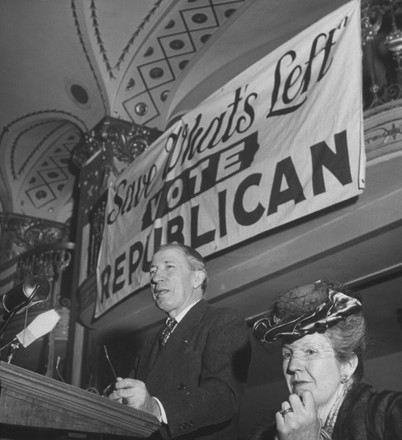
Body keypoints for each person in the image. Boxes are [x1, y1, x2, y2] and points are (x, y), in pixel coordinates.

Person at [109, 243, 251, 439]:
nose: (156, 278)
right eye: (153, 271)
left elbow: (224, 397)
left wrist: (157, 407)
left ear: (197, 278)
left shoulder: (222, 321)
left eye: (169, 267)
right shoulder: (151, 342)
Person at [250, 280, 402, 440]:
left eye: (310, 351)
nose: (292, 366)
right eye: (287, 354)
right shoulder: (264, 436)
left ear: (347, 365)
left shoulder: (391, 415)